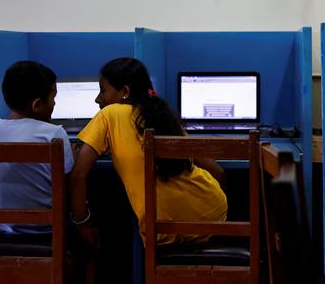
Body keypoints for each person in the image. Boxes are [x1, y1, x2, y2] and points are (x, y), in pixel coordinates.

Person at [70, 58, 227, 246]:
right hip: (212, 212)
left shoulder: (109, 114)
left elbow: (79, 174)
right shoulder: (161, 115)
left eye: (103, 90)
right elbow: (217, 171)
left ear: (125, 92)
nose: (98, 98)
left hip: (162, 227)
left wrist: (81, 225)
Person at [0, 60, 74, 234]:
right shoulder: (55, 134)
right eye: (53, 97)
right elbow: (68, 187)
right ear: (37, 105)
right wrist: (74, 157)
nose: (55, 104)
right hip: (46, 234)